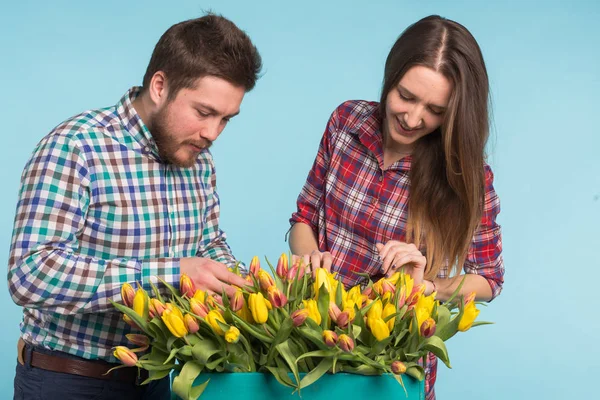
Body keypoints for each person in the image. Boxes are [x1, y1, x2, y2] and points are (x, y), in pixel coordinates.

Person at [8, 14, 261, 400]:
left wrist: (246, 287)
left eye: (226, 119)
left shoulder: (198, 159)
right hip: (70, 381)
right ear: (160, 86)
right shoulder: (76, 147)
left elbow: (207, 246)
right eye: (204, 112)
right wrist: (170, 274)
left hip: (158, 379)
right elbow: (31, 274)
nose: (212, 133)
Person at [289, 15, 504, 399]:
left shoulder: (466, 175)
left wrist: (426, 288)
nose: (413, 117)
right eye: (406, 96)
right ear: (391, 77)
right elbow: (304, 217)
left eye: (436, 110)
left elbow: (488, 280)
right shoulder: (346, 122)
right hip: (313, 340)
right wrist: (311, 261)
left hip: (394, 357)